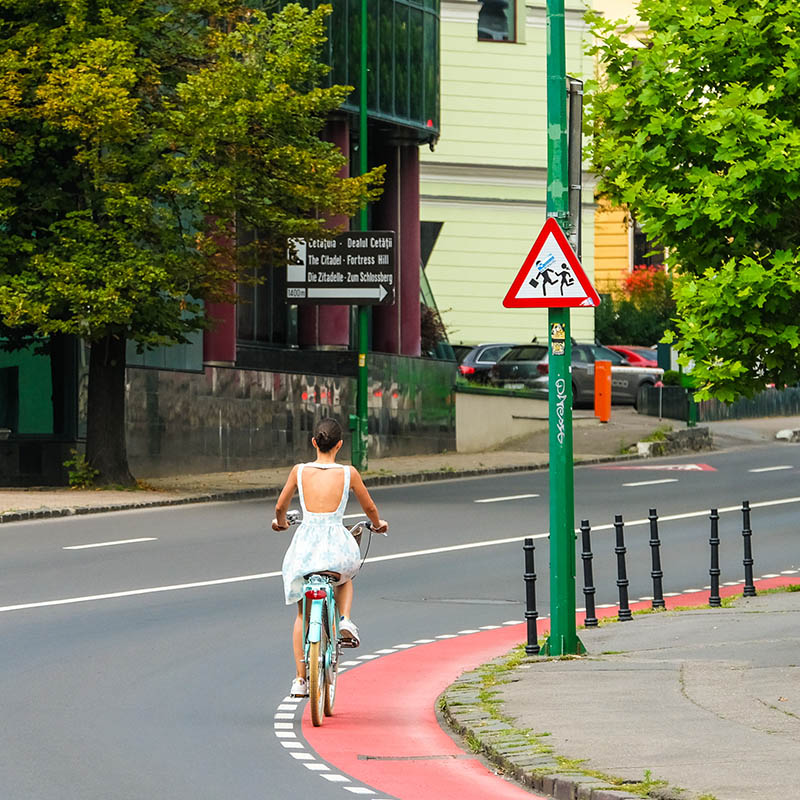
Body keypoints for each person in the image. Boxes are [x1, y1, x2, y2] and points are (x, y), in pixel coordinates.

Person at [272, 417, 388, 698]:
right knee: (346, 576)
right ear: (339, 445)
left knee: (302, 612)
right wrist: (378, 523)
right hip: (336, 543)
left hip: (306, 547)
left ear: (314, 442)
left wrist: (281, 522)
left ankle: (300, 680)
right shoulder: (349, 473)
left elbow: (280, 506)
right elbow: (369, 506)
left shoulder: (298, 471)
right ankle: (345, 619)